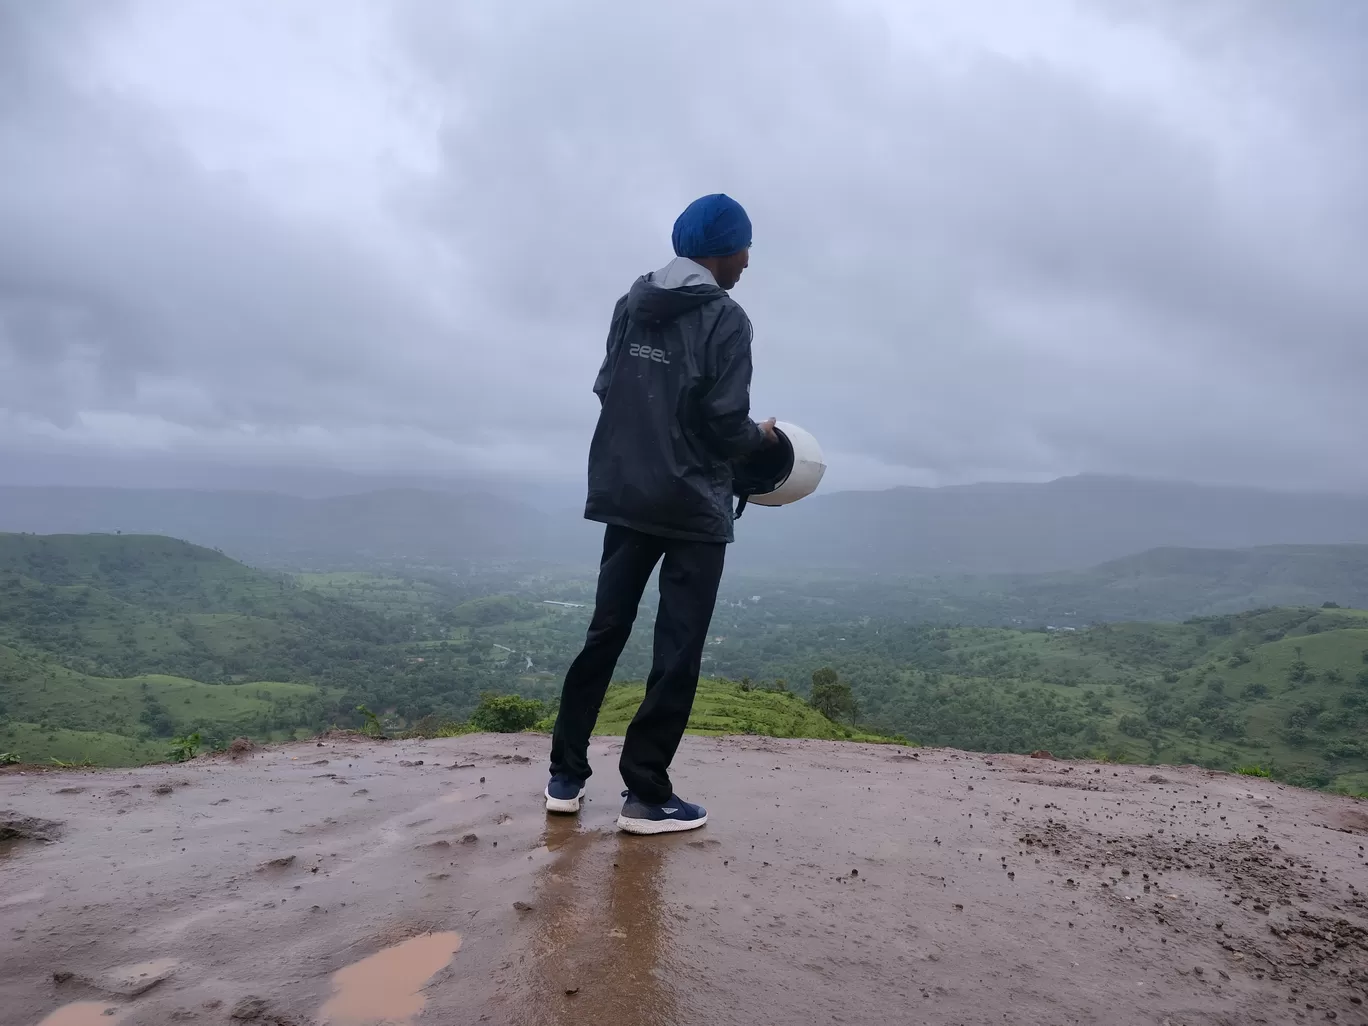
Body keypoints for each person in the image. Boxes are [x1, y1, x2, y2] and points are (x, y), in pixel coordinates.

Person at [545, 193, 776, 835]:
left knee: (604, 633)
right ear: (723, 251)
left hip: (625, 492)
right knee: (676, 651)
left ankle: (564, 779)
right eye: (744, 248)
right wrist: (768, 441)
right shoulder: (727, 319)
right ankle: (645, 795)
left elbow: (605, 387)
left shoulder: (630, 305)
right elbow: (725, 424)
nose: (748, 262)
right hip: (693, 503)